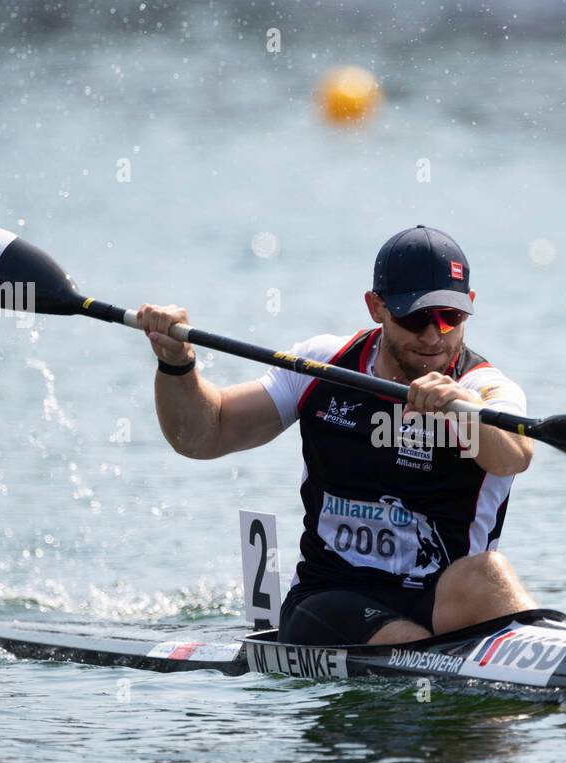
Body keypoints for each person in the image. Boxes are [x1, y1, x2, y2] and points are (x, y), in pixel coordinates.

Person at [142, 225, 537, 645]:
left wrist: (462, 410)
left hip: (439, 598)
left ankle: (547, 663)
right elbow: (203, 435)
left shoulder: (484, 390)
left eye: (449, 318)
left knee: (488, 573)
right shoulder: (323, 365)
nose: (432, 336)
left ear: (470, 306)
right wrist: (177, 363)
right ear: (376, 306)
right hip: (331, 594)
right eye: (415, 317)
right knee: (405, 641)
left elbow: (514, 455)